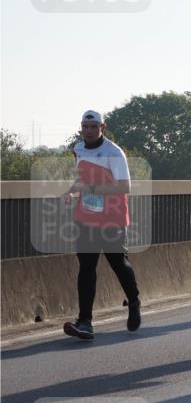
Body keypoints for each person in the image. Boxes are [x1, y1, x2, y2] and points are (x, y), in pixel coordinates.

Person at [62, 110, 141, 341]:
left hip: (112, 217)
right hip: (87, 215)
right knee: (86, 267)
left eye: (93, 127)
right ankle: (85, 321)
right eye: (85, 127)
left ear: (102, 128)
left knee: (118, 263)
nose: (88, 131)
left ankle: (134, 301)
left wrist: (93, 190)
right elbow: (84, 178)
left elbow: (125, 187)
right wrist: (72, 191)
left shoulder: (114, 153)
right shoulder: (78, 149)